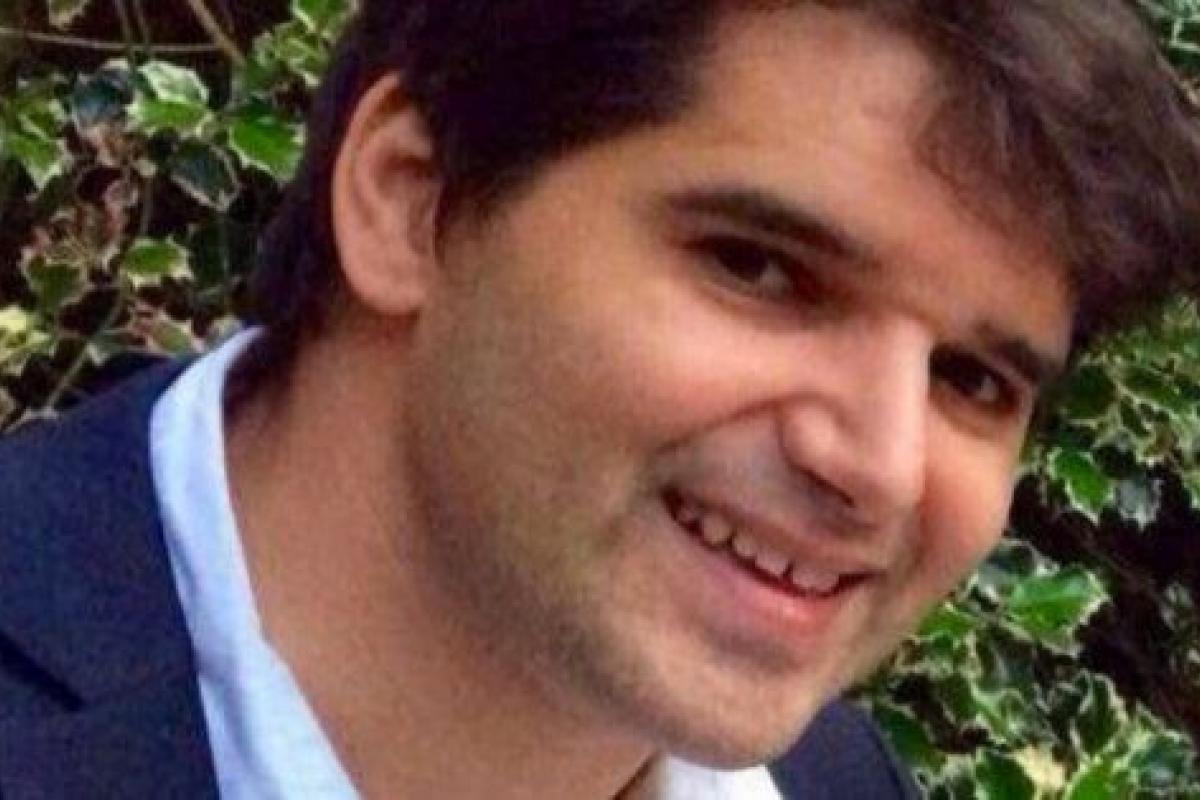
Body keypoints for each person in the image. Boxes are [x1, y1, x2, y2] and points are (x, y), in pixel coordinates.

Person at [2, 1, 1199, 798]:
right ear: (409, 201)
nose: (880, 463)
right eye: (758, 267)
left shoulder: (839, 781)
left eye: (973, 379)